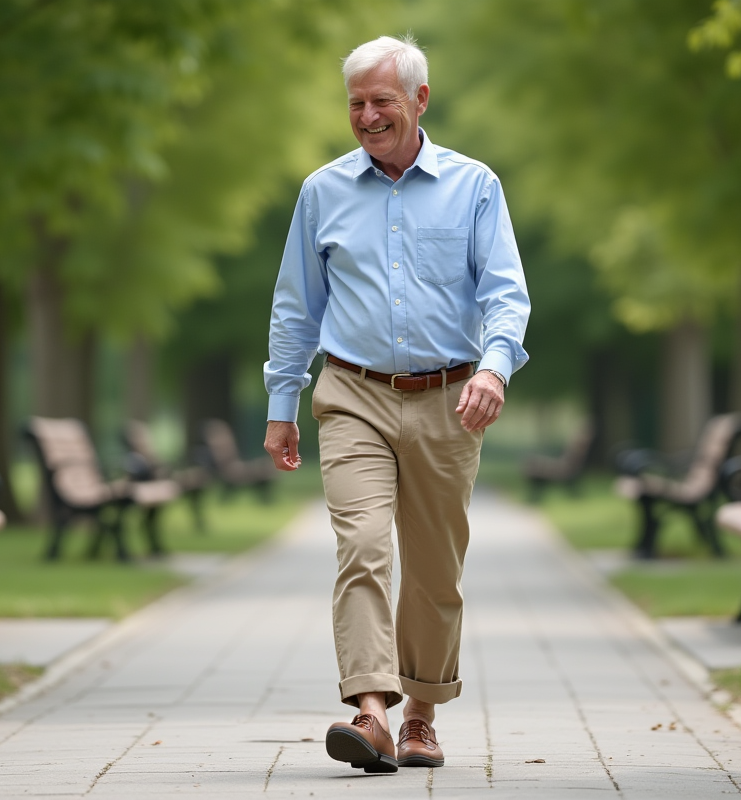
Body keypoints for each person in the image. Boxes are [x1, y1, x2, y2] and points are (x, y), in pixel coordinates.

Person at [262, 34, 530, 774]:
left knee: (436, 571)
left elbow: (506, 293)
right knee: (364, 547)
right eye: (356, 103)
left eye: (382, 100)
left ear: (420, 99)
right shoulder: (322, 191)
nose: (368, 115)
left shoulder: (475, 186)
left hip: (451, 398)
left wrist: (496, 369)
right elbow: (295, 308)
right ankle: (370, 712)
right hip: (351, 395)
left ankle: (420, 717)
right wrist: (282, 403)